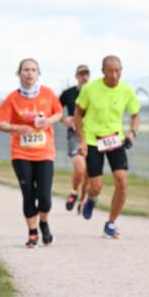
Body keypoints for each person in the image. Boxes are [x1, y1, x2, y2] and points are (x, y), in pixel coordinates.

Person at [0, 58, 63, 248]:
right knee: (28, 193)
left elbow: (58, 113)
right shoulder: (12, 98)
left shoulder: (48, 93)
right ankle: (32, 233)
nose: (30, 73)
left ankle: (44, 223)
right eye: (26, 70)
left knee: (45, 196)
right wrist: (18, 128)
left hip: (44, 152)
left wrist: (49, 121)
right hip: (21, 153)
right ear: (19, 73)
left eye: (33, 70)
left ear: (38, 73)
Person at [74, 56, 141, 239]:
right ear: (103, 71)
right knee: (96, 186)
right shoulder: (90, 89)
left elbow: (135, 115)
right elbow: (78, 114)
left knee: (122, 183)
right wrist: (82, 141)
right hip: (93, 139)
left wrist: (132, 133)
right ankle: (91, 199)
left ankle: (110, 223)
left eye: (118, 70)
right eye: (110, 71)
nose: (114, 74)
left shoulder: (126, 90)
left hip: (115, 140)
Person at [59, 64, 91, 211]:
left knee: (88, 172)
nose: (84, 77)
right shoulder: (68, 93)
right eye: (81, 74)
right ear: (76, 76)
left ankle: (82, 201)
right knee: (80, 168)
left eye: (86, 74)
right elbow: (54, 109)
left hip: (92, 134)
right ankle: (73, 192)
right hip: (75, 134)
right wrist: (64, 119)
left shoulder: (94, 92)